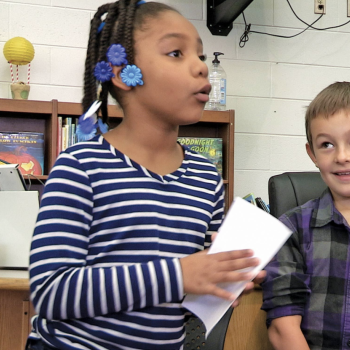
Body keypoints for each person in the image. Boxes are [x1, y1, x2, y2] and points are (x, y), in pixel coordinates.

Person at [26, 1, 265, 349]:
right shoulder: (80, 166)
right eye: (176, 53)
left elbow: (179, 301)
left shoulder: (205, 177)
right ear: (122, 72)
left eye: (199, 55)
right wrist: (180, 275)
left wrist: (221, 283)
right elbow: (50, 291)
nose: (200, 67)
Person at [261, 81, 350, 350]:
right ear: (312, 153)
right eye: (326, 145)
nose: (342, 156)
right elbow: (282, 328)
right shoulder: (291, 229)